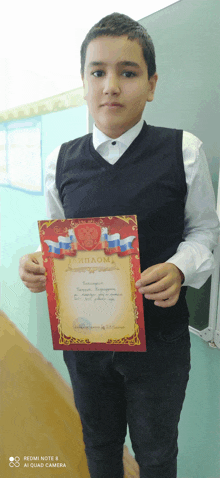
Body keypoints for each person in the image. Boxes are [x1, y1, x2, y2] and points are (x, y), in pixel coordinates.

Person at [19, 12, 219, 478]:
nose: (111, 85)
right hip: (86, 343)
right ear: (84, 83)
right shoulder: (60, 161)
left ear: (150, 85)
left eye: (127, 73)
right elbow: (57, 235)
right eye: (98, 72)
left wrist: (180, 267)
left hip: (160, 344)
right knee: (100, 447)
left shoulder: (183, 151)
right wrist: (39, 263)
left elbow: (205, 231)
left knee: (155, 454)